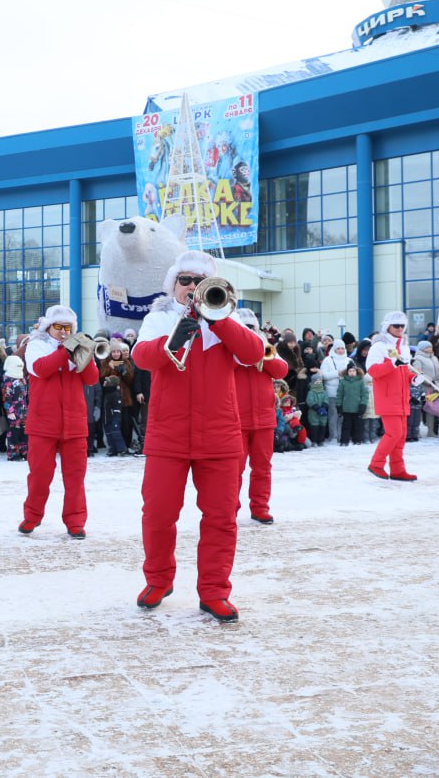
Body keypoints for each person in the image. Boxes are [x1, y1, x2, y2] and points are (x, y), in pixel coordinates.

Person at [131, 251, 263, 622]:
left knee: (222, 516)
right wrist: (180, 332)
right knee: (158, 513)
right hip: (168, 434)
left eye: (199, 281)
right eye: (185, 280)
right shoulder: (158, 318)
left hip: (220, 435)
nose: (191, 286)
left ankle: (214, 591)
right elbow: (142, 358)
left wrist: (217, 321)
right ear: (173, 285)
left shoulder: (227, 318)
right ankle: (158, 580)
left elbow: (253, 353)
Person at [18, 304, 99, 538]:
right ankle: (32, 516)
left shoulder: (75, 347)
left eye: (68, 327)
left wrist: (86, 356)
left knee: (75, 478)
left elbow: (91, 379)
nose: (63, 332)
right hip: (43, 424)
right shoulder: (36, 345)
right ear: (48, 327)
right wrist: (65, 351)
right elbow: (41, 369)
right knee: (39, 476)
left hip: (75, 425)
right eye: (58, 326)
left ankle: (76, 521)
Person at [230, 309, 289, 524]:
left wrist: (260, 356)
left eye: (251, 328)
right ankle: (230, 509)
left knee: (263, 468)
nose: (248, 331)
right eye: (244, 328)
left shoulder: (265, 346)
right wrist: (241, 354)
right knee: (233, 470)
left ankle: (260, 507)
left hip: (264, 418)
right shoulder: (228, 346)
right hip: (236, 419)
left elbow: (281, 370)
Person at [366, 311, 420, 481]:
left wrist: (413, 378)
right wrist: (393, 364)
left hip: (402, 398)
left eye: (402, 326)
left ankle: (397, 469)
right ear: (387, 326)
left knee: (401, 436)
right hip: (387, 397)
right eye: (396, 325)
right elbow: (372, 370)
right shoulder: (379, 346)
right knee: (394, 433)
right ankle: (376, 463)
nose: (399, 328)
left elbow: (404, 372)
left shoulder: (404, 347)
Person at [2, 354, 28, 461]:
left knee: (24, 431)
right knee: (14, 432)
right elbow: (6, 397)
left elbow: (25, 394)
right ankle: (13, 453)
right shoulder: (8, 380)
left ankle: (24, 451)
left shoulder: (22, 378)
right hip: (14, 409)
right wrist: (10, 411)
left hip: (23, 408)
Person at [336, 362, 368, 446]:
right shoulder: (343, 382)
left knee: (358, 426)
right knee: (346, 426)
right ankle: (344, 441)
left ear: (356, 372)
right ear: (347, 372)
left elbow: (364, 395)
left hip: (358, 408)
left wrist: (363, 405)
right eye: (350, 371)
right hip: (346, 408)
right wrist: (339, 406)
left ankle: (357, 440)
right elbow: (339, 394)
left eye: (353, 371)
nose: (352, 372)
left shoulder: (361, 382)